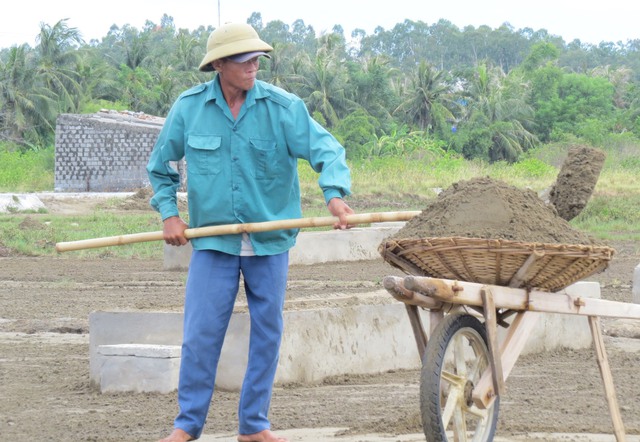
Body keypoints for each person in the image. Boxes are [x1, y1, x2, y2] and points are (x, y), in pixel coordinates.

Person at [146, 22, 354, 442]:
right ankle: (187, 425)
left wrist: (334, 194)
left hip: (270, 242)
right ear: (219, 64)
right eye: (242, 59)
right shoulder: (189, 109)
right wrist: (170, 215)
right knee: (202, 332)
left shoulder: (283, 108)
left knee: (267, 333)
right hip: (213, 242)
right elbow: (160, 167)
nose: (253, 65)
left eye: (256, 57)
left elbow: (327, 149)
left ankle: (254, 425)